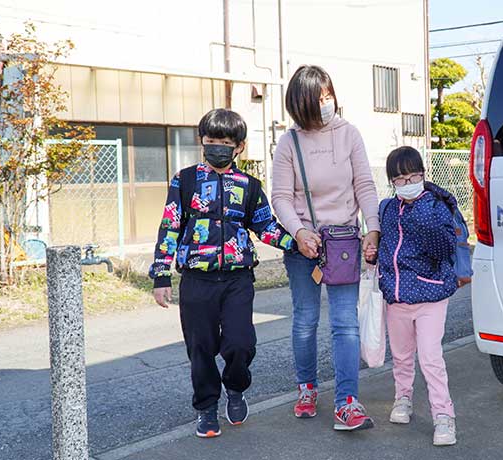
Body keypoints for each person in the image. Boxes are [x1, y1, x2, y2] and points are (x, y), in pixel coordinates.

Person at [149, 108, 296, 438]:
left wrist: (297, 243)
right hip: (196, 279)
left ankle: (235, 387)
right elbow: (170, 225)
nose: (217, 146)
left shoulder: (249, 186)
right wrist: (161, 275)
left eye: (225, 142)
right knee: (200, 347)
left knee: (240, 344)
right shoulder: (184, 181)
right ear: (202, 141)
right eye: (211, 140)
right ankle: (206, 407)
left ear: (239, 146)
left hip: (237, 279)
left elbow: (265, 226)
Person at [271, 65, 380, 431]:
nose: (325, 103)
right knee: (305, 321)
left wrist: (373, 228)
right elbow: (281, 197)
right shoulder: (289, 143)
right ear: (299, 105)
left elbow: (364, 184)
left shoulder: (349, 134)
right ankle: (306, 388)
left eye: (327, 95)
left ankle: (347, 401)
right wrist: (300, 233)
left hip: (345, 243)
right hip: (304, 245)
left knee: (345, 324)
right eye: (316, 99)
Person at [364, 146, 459, 446]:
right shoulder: (387, 209)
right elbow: (386, 250)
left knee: (431, 358)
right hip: (398, 297)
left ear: (423, 175)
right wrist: (371, 255)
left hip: (431, 295)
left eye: (414, 176)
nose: (408, 183)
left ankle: (444, 417)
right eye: (401, 179)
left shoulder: (436, 206)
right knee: (402, 358)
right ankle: (402, 399)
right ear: (392, 182)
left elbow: (444, 251)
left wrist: (421, 216)